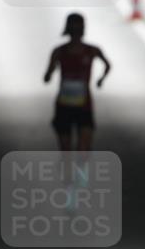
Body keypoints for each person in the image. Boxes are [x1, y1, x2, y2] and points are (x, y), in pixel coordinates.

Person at [44, 13, 111, 151]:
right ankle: (70, 170)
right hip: (67, 105)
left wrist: (101, 79)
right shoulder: (60, 52)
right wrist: (100, 80)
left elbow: (46, 78)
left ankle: (78, 171)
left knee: (81, 149)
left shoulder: (90, 50)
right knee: (68, 151)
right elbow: (47, 77)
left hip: (82, 106)